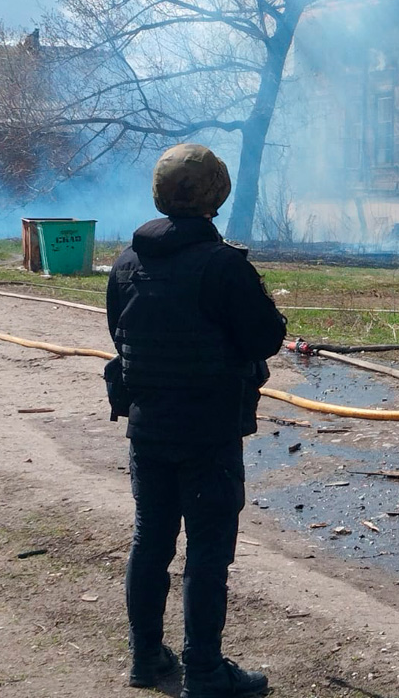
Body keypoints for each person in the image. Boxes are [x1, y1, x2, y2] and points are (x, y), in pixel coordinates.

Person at [105, 143, 287, 698]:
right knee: (207, 553)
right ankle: (205, 672)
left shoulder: (128, 263)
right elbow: (266, 337)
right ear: (216, 193)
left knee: (151, 540)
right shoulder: (224, 265)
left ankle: (145, 659)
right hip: (208, 433)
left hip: (148, 427)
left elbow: (120, 335)